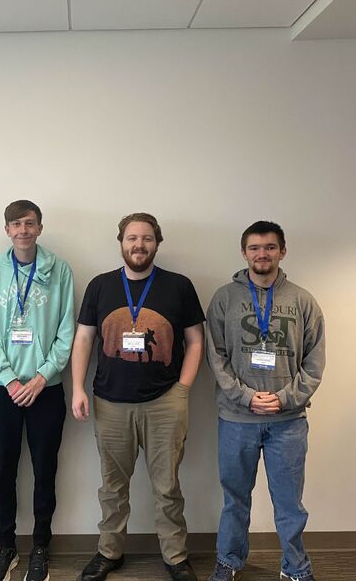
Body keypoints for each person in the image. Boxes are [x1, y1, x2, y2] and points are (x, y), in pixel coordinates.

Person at [71, 213, 205, 581]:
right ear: (121, 243)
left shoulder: (178, 286)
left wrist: (183, 390)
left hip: (165, 403)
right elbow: (84, 338)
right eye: (132, 238)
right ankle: (109, 552)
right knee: (112, 487)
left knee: (167, 486)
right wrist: (78, 387)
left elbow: (195, 340)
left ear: (157, 243)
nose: (139, 245)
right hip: (110, 403)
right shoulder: (100, 286)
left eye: (146, 238)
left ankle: (176, 557)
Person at [205, 221, 325, 581]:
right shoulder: (224, 298)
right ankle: (229, 560)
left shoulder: (302, 301)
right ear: (244, 252)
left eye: (270, 247)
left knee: (289, 503)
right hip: (236, 419)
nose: (262, 254)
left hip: (287, 422)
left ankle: (296, 568)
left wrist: (285, 399)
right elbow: (216, 357)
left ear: (282, 252)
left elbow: (314, 363)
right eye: (255, 248)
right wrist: (245, 397)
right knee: (235, 499)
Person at [0, 200, 75, 581]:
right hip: (2, 389)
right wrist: (10, 379)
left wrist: (41, 377)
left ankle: (40, 547)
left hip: (45, 389)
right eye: (16, 224)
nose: (23, 230)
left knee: (45, 470)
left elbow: (67, 331)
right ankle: (6, 546)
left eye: (30, 223)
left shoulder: (60, 269)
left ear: (39, 228)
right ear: (7, 230)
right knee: (3, 470)